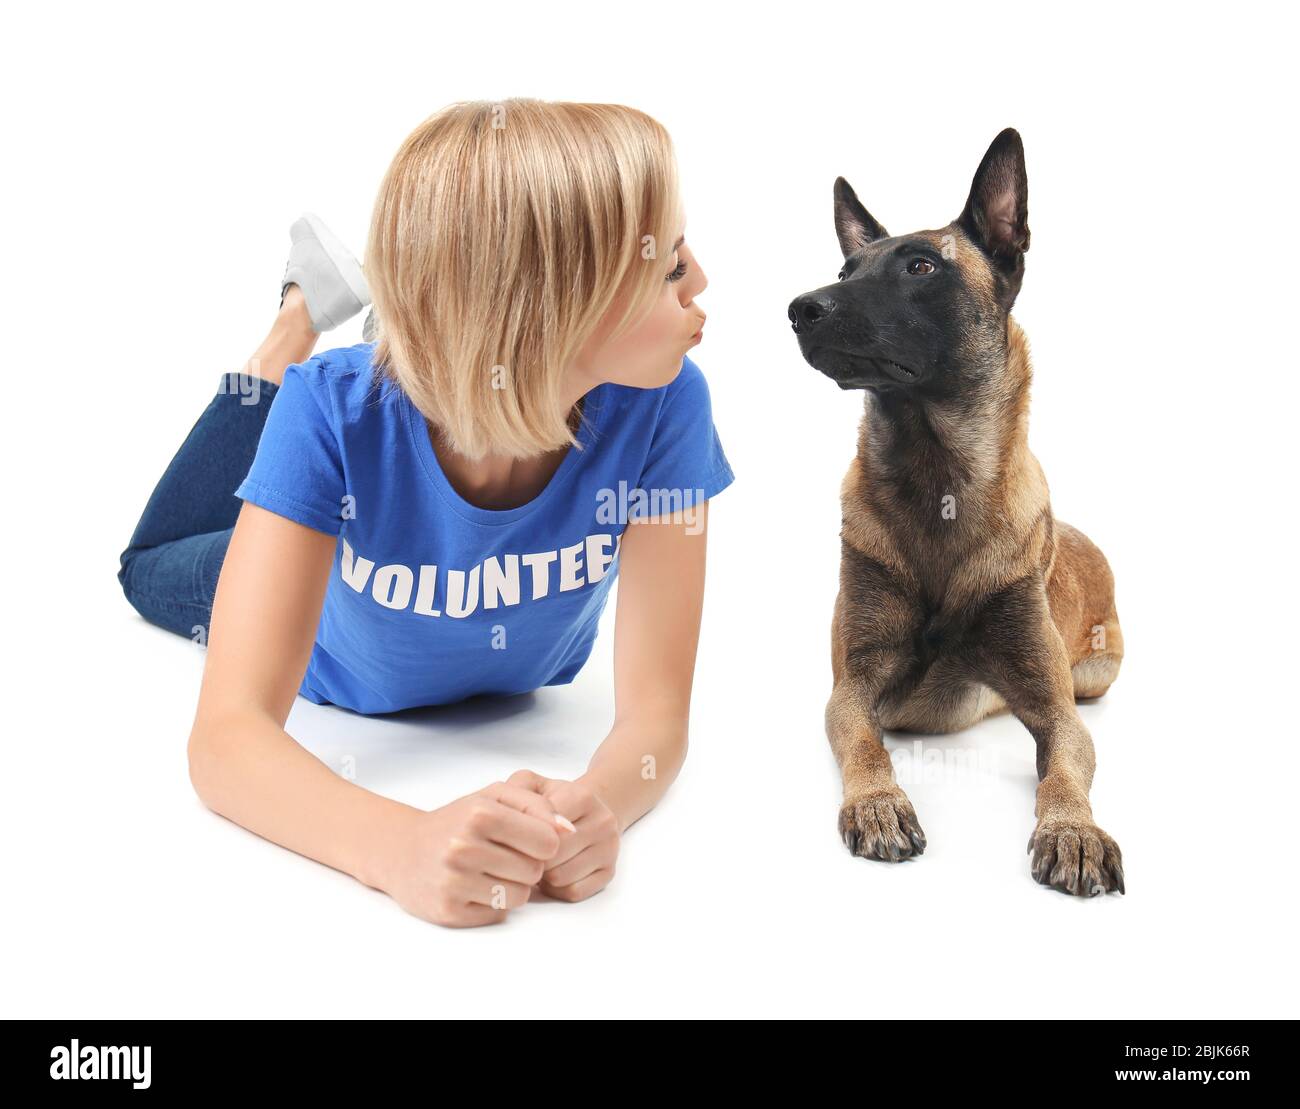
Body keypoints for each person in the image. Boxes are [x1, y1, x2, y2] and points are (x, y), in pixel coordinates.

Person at [117, 99, 734, 929]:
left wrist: (595, 805)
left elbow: (658, 717)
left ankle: (409, 332)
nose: (700, 281)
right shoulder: (328, 414)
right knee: (146, 563)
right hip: (322, 610)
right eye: (669, 267)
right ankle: (288, 330)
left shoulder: (667, 404)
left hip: (471, 489)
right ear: (557, 309)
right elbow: (225, 740)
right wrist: (399, 846)